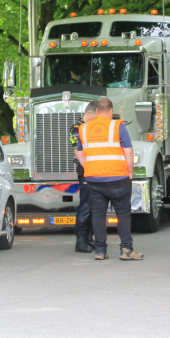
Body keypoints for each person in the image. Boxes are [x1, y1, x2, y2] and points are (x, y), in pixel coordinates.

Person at [77, 97, 142, 261]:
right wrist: (130, 172)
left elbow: (78, 153)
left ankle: (100, 251)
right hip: (118, 177)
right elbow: (128, 151)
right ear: (111, 111)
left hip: (94, 178)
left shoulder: (83, 128)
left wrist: (89, 166)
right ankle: (126, 249)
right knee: (123, 213)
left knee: (98, 214)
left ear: (96, 112)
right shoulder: (117, 125)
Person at [69, 100, 99, 253]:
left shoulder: (92, 127)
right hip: (86, 169)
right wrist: (89, 169)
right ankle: (80, 239)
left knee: (94, 205)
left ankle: (89, 237)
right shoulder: (77, 128)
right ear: (89, 113)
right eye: (95, 117)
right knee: (86, 204)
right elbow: (78, 151)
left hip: (96, 170)